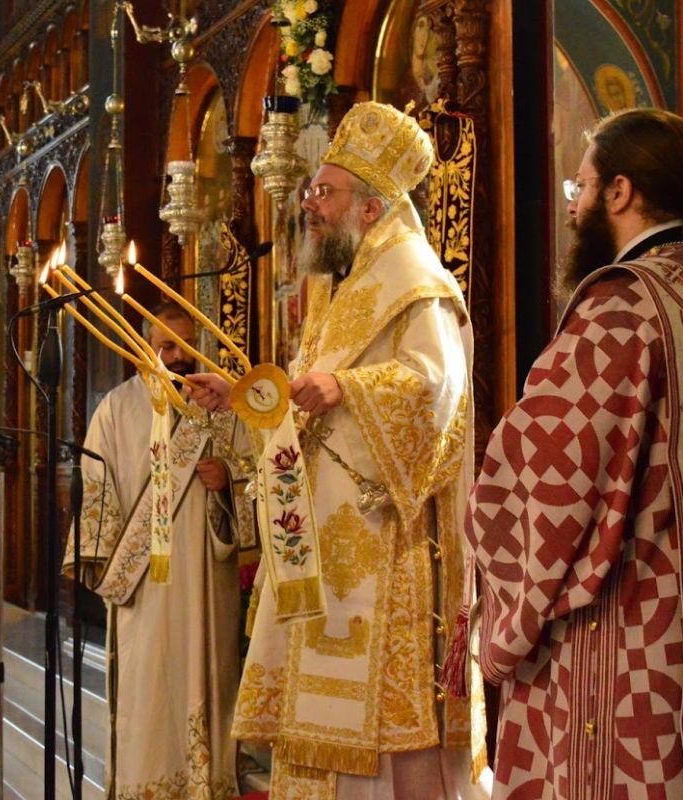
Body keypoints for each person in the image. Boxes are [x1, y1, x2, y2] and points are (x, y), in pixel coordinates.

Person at [188, 101, 490, 800]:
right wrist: (243, 394)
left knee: (384, 732)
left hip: (385, 543)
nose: (309, 204)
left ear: (370, 207)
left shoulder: (415, 284)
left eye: (323, 191)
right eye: (311, 190)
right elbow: (307, 400)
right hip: (320, 541)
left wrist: (347, 387)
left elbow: (437, 389)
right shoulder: (341, 288)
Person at [465, 108, 683, 799]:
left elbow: (548, 474)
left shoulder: (622, 307)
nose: (573, 207)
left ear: (620, 192)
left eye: (581, 188)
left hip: (635, 620)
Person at [63, 302, 242, 799]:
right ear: (146, 347)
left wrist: (228, 482)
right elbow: (95, 489)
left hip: (206, 578)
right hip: (144, 587)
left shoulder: (222, 406)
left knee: (208, 678)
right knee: (148, 690)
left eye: (185, 346)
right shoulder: (116, 409)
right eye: (166, 346)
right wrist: (109, 564)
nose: (178, 357)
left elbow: (257, 476)